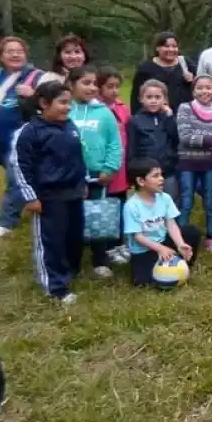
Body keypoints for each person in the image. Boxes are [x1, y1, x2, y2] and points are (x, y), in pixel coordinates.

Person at [13, 81, 87, 304]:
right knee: (50, 241)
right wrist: (31, 197)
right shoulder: (30, 132)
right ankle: (55, 287)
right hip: (48, 197)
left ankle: (70, 271)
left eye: (69, 103)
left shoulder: (70, 125)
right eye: (62, 103)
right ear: (44, 103)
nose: (68, 107)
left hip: (73, 193)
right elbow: (20, 165)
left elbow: (77, 158)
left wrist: (81, 183)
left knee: (73, 237)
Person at [68, 65, 123, 280]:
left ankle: (100, 260)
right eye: (85, 83)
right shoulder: (65, 110)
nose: (91, 87)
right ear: (71, 86)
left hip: (97, 174)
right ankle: (73, 262)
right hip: (71, 176)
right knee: (73, 218)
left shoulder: (104, 113)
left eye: (94, 84)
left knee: (98, 217)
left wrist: (109, 168)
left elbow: (114, 144)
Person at [0, 36, 44, 238]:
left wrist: (33, 94)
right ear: (0, 56)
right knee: (24, 178)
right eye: (10, 51)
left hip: (22, 139)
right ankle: (37, 203)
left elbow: (51, 101)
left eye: (19, 51)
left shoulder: (36, 76)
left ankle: (6, 222)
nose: (15, 54)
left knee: (16, 179)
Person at [123, 158, 200, 288]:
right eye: (155, 176)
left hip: (163, 240)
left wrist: (180, 244)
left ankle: (184, 263)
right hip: (144, 250)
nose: (161, 179)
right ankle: (166, 260)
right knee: (142, 283)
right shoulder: (131, 206)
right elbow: (138, 236)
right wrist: (160, 249)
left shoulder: (165, 198)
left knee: (191, 232)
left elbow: (171, 224)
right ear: (141, 181)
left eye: (161, 175)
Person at [176, 75, 212, 253]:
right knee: (187, 201)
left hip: (209, 164)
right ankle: (180, 237)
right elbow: (185, 137)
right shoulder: (185, 108)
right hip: (188, 163)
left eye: (209, 87)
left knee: (210, 201)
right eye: (200, 87)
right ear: (193, 90)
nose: (205, 91)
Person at [97, 67, 132, 265]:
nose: (115, 91)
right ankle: (107, 247)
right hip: (105, 169)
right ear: (99, 88)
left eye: (117, 87)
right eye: (109, 87)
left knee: (121, 205)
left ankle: (120, 243)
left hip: (122, 169)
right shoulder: (98, 110)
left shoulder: (121, 107)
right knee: (106, 209)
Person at [127, 80, 180, 204]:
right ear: (141, 99)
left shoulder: (167, 118)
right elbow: (131, 148)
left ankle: (170, 224)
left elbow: (176, 139)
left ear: (165, 100)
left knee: (170, 203)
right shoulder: (135, 121)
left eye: (157, 97)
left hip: (168, 171)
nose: (153, 101)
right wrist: (132, 172)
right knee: (148, 204)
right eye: (149, 97)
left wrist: (169, 116)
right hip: (146, 173)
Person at [130, 31, 193, 115]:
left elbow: (199, 88)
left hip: (184, 116)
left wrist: (192, 80)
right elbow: (136, 96)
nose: (171, 49)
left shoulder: (186, 64)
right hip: (156, 117)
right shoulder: (146, 68)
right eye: (166, 46)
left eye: (174, 46)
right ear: (157, 48)